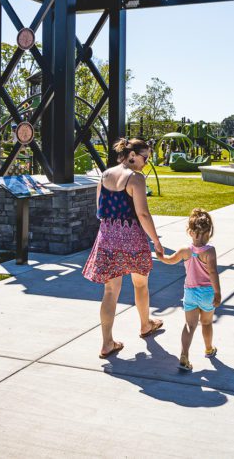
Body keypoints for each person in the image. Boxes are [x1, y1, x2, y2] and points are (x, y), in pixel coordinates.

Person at [83, 138, 165, 358]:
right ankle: (145, 324)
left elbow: (99, 209)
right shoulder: (136, 178)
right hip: (132, 237)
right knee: (140, 284)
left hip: (108, 236)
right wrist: (156, 240)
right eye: (145, 157)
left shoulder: (105, 174)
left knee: (110, 290)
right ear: (132, 156)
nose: (146, 163)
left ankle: (107, 343)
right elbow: (143, 214)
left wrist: (111, 228)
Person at [158, 208, 222, 372]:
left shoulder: (185, 250)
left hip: (190, 293)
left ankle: (184, 355)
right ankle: (208, 349)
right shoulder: (210, 251)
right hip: (207, 292)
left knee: (189, 325)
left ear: (190, 232)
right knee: (206, 322)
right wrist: (217, 292)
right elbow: (213, 272)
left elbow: (170, 261)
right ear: (209, 232)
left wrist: (160, 256)